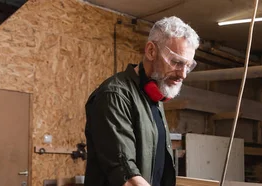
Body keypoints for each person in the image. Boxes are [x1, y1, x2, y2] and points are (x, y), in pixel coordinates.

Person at [84, 16, 199, 186]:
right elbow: (127, 177)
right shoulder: (115, 96)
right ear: (151, 51)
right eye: (176, 62)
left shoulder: (154, 98)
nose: (183, 74)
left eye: (187, 66)